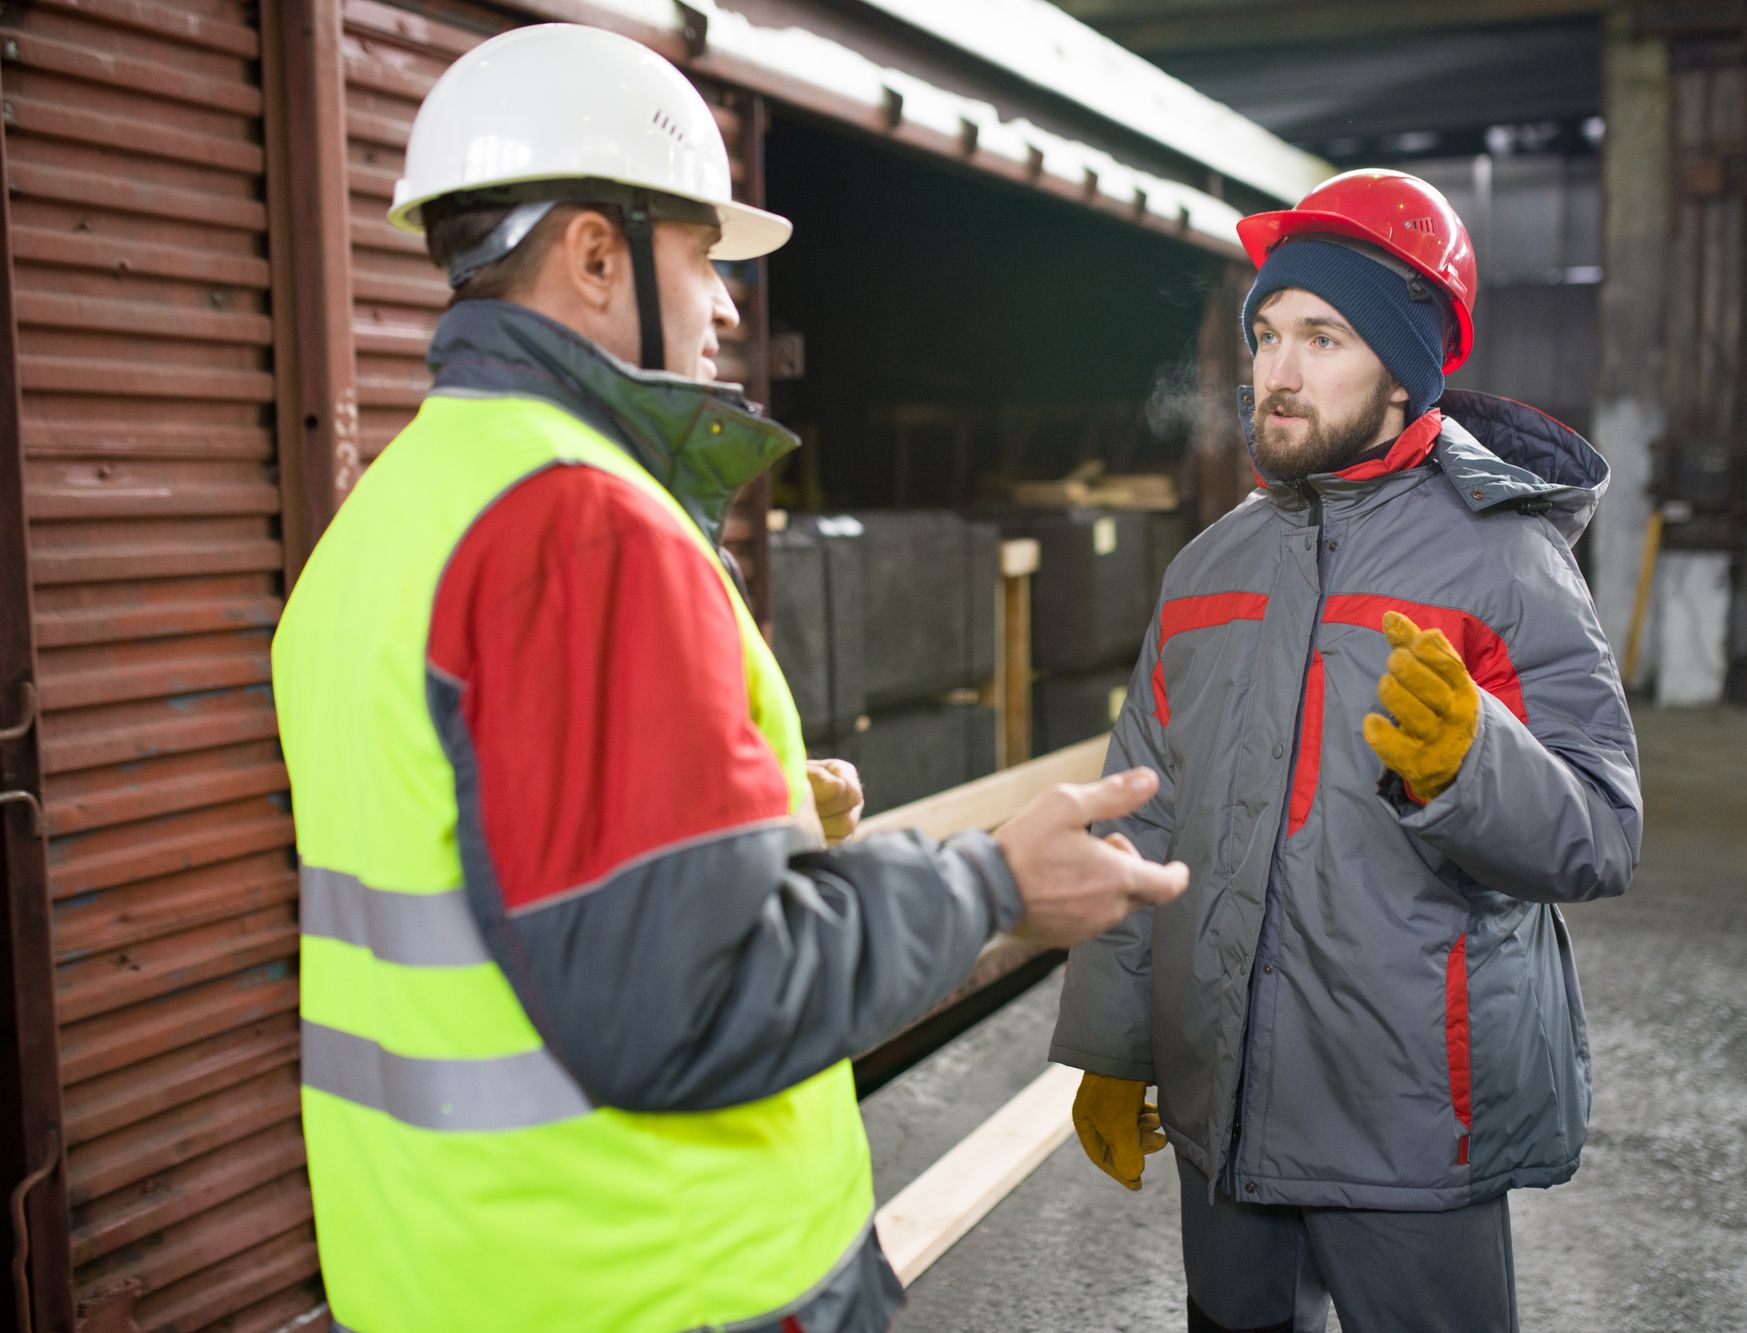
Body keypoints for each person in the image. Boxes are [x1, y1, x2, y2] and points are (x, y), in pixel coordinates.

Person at [269, 24, 1185, 1333]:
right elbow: (686, 1000)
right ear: (597, 254)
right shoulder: (578, 528)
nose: (728, 307)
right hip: (665, 1277)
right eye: (704, 257)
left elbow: (506, 884)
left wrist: (736, 825)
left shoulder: (384, 525)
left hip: (450, 1276)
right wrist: (990, 882)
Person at [1050, 168, 1642, 1333]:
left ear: (1404, 366)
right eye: (1266, 334)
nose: (1276, 371)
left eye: (1322, 337)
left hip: (1407, 1117)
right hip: (1219, 1101)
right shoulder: (1207, 571)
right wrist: (1115, 1043)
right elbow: (1142, 818)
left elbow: (1600, 831)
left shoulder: (1507, 567)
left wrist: (1469, 765)